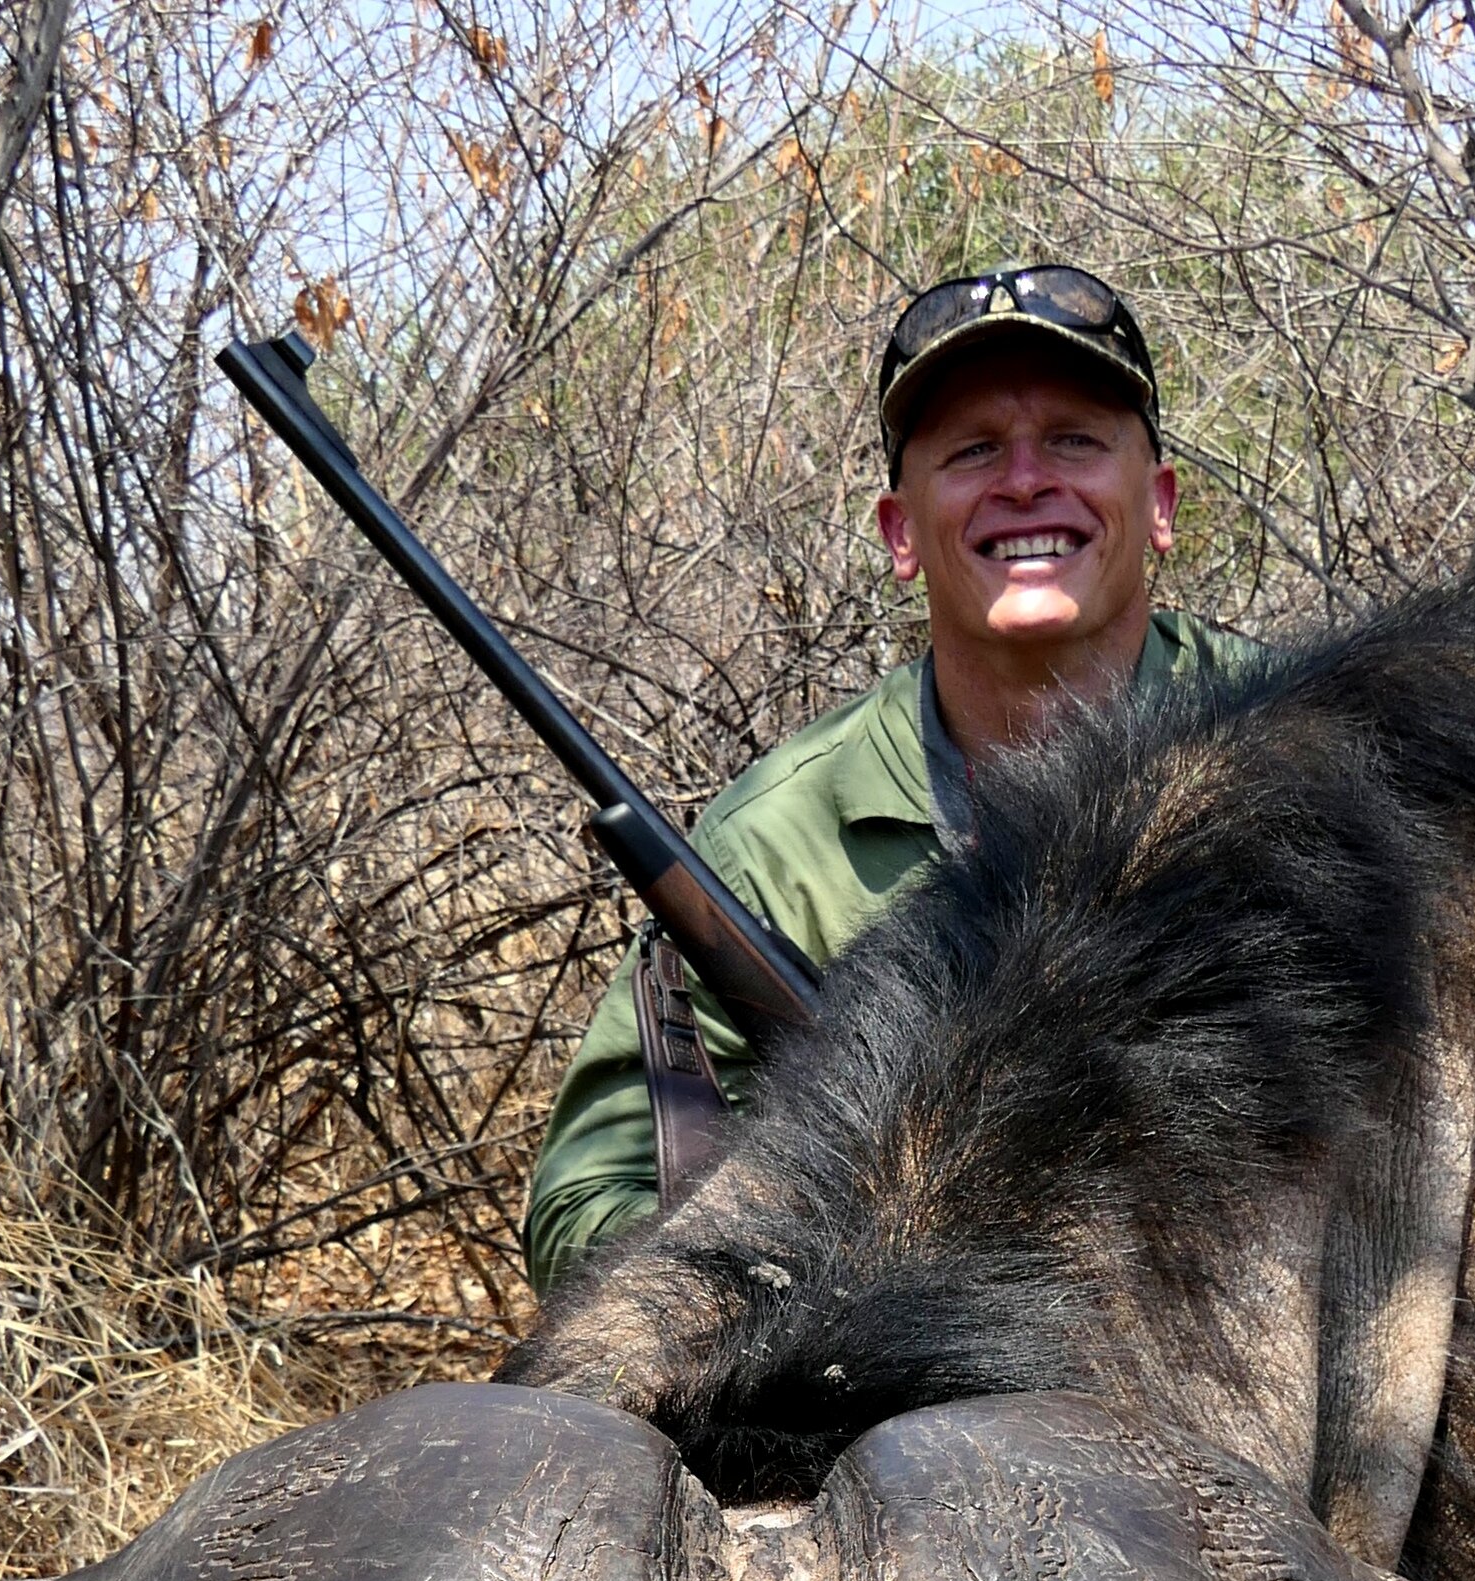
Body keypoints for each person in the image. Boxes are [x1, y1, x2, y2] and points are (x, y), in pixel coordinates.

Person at [522, 264, 1263, 1293]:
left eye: (1074, 439)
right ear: (900, 533)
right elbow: (584, 1209)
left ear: (1162, 505)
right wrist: (813, 1218)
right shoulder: (776, 840)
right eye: (970, 451)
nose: (1022, 480)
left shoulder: (1314, 744)